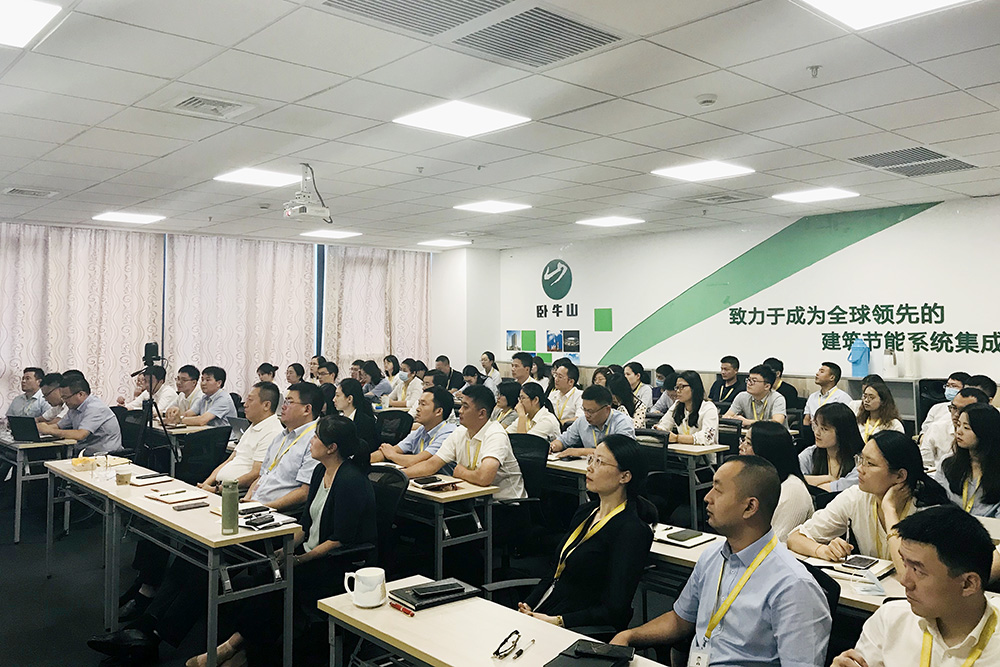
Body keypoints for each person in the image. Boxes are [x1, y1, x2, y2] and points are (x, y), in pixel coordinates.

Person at [189, 414, 378, 667]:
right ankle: (245, 651)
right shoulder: (321, 471)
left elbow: (339, 540)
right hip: (312, 553)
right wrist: (286, 549)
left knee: (274, 585)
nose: (311, 442)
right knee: (265, 575)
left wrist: (299, 559)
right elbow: (306, 525)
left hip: (338, 563)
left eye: (316, 438)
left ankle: (230, 648)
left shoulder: (350, 480)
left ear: (332, 448)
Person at [611, 456, 832, 666]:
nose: (707, 497)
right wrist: (629, 635)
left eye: (718, 490)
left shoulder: (794, 586)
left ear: (750, 507)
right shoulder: (712, 556)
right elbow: (680, 620)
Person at [831, 506, 1000, 667]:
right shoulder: (890, 619)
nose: (905, 581)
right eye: (905, 564)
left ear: (968, 584)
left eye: (918, 571)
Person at [519, 435, 656, 631]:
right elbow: (556, 570)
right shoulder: (586, 511)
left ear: (624, 477)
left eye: (600, 462)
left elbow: (614, 609)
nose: (590, 467)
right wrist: (528, 604)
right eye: (591, 459)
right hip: (547, 609)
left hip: (578, 625)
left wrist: (557, 621)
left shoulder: (631, 530)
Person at [787, 430, 950, 577]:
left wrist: (889, 509)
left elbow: (908, 573)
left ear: (900, 476)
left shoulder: (928, 511)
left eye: (870, 464)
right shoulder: (857, 496)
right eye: (861, 460)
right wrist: (823, 550)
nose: (860, 468)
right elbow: (794, 538)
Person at [403, 385, 527, 500]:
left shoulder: (495, 434)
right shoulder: (460, 431)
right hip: (474, 499)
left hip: (505, 505)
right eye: (461, 405)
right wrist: (400, 475)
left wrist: (461, 472)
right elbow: (431, 464)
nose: (460, 411)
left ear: (482, 413)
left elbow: (484, 478)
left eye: (465, 407)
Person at [196, 382, 283, 492]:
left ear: (266, 405)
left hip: (236, 491)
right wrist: (206, 484)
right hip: (220, 487)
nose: (245, 405)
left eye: (250, 400)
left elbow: (255, 474)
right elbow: (229, 460)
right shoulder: (254, 425)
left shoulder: (272, 432)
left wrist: (216, 489)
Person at [739, 422, 813, 541]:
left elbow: (778, 542)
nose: (741, 447)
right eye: (743, 440)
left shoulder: (792, 491)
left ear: (766, 450)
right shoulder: (753, 480)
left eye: (748, 443)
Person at [933, 403, 1000, 517]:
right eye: (958, 425)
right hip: (948, 524)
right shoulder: (947, 464)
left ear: (984, 432)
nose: (959, 431)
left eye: (966, 428)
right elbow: (935, 502)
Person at [373, 385, 456, 471]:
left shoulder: (448, 433)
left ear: (438, 411)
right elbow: (393, 450)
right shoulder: (421, 430)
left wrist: (392, 455)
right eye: (419, 404)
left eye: (423, 404)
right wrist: (365, 461)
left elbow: (415, 461)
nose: (417, 409)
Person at [38, 375, 122, 455]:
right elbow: (59, 426)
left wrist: (49, 430)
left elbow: (80, 434)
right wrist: (41, 428)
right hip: (85, 453)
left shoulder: (95, 408)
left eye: (66, 397)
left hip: (105, 456)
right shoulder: (74, 407)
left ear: (80, 394)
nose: (64, 401)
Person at [551, 385, 636, 457]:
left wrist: (581, 451)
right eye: (584, 409)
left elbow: (620, 452)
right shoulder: (582, 421)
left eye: (590, 411)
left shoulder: (622, 422)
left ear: (607, 409)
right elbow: (563, 440)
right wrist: (552, 447)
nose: (586, 415)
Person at [799, 402, 864, 491]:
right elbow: (795, 479)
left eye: (824, 429)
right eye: (816, 425)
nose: (817, 433)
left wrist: (812, 484)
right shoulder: (810, 453)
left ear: (842, 432)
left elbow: (845, 488)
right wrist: (828, 478)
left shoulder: (862, 459)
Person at [921, 385, 988, 469]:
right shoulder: (937, 428)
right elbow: (925, 464)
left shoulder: (990, 434)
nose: (956, 414)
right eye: (954, 408)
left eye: (963, 410)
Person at [654, 371, 719, 445]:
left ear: (694, 387)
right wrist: (659, 429)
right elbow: (664, 424)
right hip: (683, 450)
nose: (678, 391)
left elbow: (707, 437)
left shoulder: (708, 408)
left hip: (704, 451)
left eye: (681, 387)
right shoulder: (677, 405)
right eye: (677, 387)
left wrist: (677, 438)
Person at [334, 378, 377, 468]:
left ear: (349, 399)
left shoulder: (366, 423)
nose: (334, 399)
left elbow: (366, 452)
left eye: (337, 396)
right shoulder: (337, 420)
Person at [802, 361, 853, 427]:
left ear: (832, 377)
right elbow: (806, 419)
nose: (817, 374)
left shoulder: (843, 397)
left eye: (822, 372)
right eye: (818, 371)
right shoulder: (812, 396)